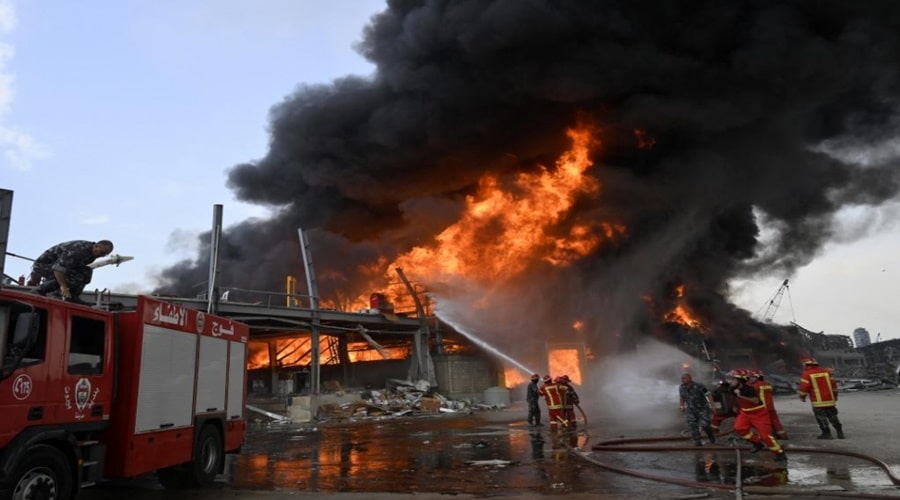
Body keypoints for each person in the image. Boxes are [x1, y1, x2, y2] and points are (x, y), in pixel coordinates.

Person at [727, 369, 786, 462]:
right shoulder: (731, 388)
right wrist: (734, 407)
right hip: (745, 412)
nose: (730, 381)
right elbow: (732, 398)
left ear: (740, 380)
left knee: (766, 436)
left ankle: (779, 452)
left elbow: (756, 401)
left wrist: (741, 396)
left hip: (759, 413)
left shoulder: (749, 389)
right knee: (739, 428)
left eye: (733, 379)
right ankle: (757, 442)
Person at [31, 240, 114, 305]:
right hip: (43, 265)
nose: (102, 256)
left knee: (87, 272)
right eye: (102, 253)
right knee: (72, 277)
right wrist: (64, 286)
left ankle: (72, 297)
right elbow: (58, 270)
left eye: (105, 255)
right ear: (96, 246)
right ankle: (39, 290)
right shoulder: (78, 251)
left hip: (60, 267)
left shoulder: (91, 252)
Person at [798, 357, 844, 439]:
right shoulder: (826, 372)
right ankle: (840, 433)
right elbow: (834, 385)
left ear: (806, 365)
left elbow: (804, 388)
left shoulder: (806, 374)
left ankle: (827, 434)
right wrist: (835, 396)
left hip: (818, 402)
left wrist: (802, 397)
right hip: (830, 400)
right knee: (833, 416)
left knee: (821, 418)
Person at [748, 369, 788, 440]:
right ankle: (783, 435)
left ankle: (769, 437)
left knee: (765, 423)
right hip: (770, 407)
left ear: (757, 377)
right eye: (750, 377)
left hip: (762, 408)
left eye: (752, 377)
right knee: (775, 421)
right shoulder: (767, 384)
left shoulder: (754, 386)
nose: (750, 379)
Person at [679, 373, 715, 446]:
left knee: (705, 425)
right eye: (682, 378)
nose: (682, 380)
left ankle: (710, 434)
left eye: (684, 378)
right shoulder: (681, 387)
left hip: (702, 408)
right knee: (692, 424)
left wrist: (712, 405)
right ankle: (697, 441)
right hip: (691, 409)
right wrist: (681, 405)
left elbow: (708, 394)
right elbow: (682, 397)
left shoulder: (699, 386)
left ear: (690, 379)